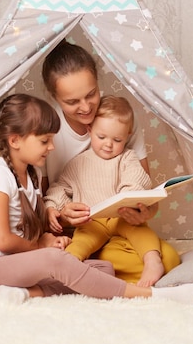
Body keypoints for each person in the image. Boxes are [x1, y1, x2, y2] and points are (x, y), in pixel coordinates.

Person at [0, 93, 193, 303]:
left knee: (104, 270)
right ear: (15, 141)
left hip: (15, 264)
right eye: (45, 141)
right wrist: (41, 245)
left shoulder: (33, 174)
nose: (52, 147)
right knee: (57, 261)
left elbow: (29, 224)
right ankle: (153, 296)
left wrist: (48, 234)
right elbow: (3, 240)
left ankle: (27, 293)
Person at [41, 40, 181, 284]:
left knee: (168, 259)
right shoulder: (46, 127)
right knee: (70, 251)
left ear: (98, 84)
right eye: (72, 102)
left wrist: (142, 212)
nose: (85, 108)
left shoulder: (120, 116)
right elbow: (44, 200)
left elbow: (144, 190)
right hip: (80, 230)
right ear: (54, 97)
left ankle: (92, 272)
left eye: (91, 94)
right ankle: (85, 269)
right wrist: (58, 212)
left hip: (122, 227)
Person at [44, 95, 166, 286]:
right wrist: (53, 206)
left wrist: (128, 197)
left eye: (117, 139)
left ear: (127, 136)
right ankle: (66, 270)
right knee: (80, 243)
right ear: (90, 130)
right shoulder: (78, 163)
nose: (108, 144)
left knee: (141, 232)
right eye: (101, 137)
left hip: (121, 218)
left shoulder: (128, 158)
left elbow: (137, 180)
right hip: (92, 221)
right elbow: (59, 187)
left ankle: (152, 261)